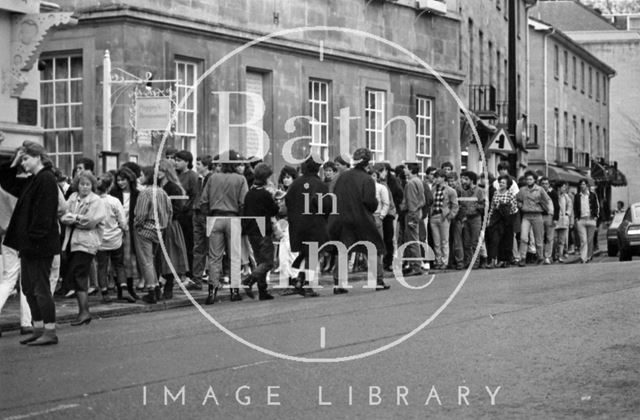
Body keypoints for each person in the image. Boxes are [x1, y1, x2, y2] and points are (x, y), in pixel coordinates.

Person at [2, 142, 61, 345]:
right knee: (28, 288)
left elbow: (44, 216)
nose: (24, 163)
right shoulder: (32, 180)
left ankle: (50, 331)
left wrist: (33, 239)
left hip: (39, 245)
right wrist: (15, 161)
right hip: (29, 245)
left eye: (26, 159)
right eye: (23, 159)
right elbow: (6, 180)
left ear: (38, 157)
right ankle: (38, 328)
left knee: (40, 288)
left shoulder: (46, 179)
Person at [328, 148, 391, 291]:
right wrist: (374, 205)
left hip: (342, 218)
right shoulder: (367, 179)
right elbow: (370, 202)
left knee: (343, 250)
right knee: (373, 248)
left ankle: (339, 284)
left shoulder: (342, 177)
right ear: (367, 163)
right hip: (361, 218)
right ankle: (378, 281)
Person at [199, 150, 248, 304]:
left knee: (214, 257)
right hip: (233, 217)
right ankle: (234, 291)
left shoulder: (213, 178)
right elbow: (243, 202)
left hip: (215, 217)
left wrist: (208, 216)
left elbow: (203, 201)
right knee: (234, 256)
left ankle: (212, 292)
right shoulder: (240, 179)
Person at [60, 171, 106, 325]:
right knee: (76, 275)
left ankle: (84, 312)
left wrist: (75, 218)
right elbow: (64, 215)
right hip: (71, 242)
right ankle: (83, 311)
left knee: (79, 275)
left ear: (92, 185)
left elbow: (91, 222)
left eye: (88, 184)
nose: (84, 187)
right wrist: (76, 219)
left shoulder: (96, 201)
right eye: (81, 184)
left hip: (86, 243)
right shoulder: (73, 197)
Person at [286, 156, 334, 296]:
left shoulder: (295, 184)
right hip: (314, 224)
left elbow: (288, 203)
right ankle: (307, 284)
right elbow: (325, 206)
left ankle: (300, 279)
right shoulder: (319, 185)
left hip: (297, 224)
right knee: (312, 255)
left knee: (306, 254)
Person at [134, 166, 172, 303]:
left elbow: (141, 214)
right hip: (160, 230)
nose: (140, 178)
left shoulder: (145, 193)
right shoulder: (163, 192)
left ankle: (151, 291)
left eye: (142, 175)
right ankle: (156, 288)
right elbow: (170, 211)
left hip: (145, 230)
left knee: (146, 261)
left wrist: (137, 225)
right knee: (152, 260)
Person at [241, 163, 278, 300]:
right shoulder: (265, 194)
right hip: (263, 229)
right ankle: (249, 281)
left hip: (251, 230)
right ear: (266, 178)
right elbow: (274, 210)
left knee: (260, 260)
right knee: (268, 262)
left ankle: (263, 291)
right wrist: (275, 199)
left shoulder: (249, 193)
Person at [157, 159, 189, 300]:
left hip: (170, 225)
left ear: (166, 171)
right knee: (158, 257)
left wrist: (165, 216)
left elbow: (178, 208)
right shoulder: (157, 186)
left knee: (169, 256)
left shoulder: (173, 188)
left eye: (161, 170)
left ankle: (168, 287)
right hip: (157, 224)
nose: (157, 173)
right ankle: (159, 286)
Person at [95, 173, 127, 303]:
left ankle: (104, 291)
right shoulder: (114, 201)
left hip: (100, 240)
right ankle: (123, 289)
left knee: (102, 266)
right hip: (115, 239)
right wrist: (123, 229)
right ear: (110, 186)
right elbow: (123, 221)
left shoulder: (94, 201)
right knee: (119, 265)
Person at [109, 167, 140, 301]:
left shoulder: (136, 193)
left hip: (130, 229)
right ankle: (121, 288)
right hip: (116, 229)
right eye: (119, 180)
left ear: (130, 179)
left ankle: (129, 288)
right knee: (118, 260)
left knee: (128, 260)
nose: (121, 183)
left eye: (123, 180)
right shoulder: (114, 193)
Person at [515, 171, 552, 267]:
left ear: (535, 180)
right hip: (526, 216)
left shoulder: (540, 190)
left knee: (538, 238)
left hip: (537, 215)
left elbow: (547, 200)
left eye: (530, 179)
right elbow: (517, 199)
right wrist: (520, 205)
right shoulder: (522, 190)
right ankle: (522, 258)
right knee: (523, 237)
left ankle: (540, 257)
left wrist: (550, 211)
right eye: (527, 179)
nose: (528, 181)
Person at [188, 155, 213, 290]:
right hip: (197, 213)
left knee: (212, 248)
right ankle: (196, 279)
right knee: (198, 247)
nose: (196, 166)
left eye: (198, 164)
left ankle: (215, 278)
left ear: (206, 165)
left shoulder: (212, 179)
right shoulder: (198, 179)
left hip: (207, 215)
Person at [174, 150, 198, 282]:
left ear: (187, 162)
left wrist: (186, 209)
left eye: (179, 161)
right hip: (176, 214)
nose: (176, 163)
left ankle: (190, 274)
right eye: (175, 160)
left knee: (189, 245)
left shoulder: (192, 176)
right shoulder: (175, 175)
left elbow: (194, 195)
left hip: (187, 216)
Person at [487, 175, 518, 268]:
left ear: (507, 184)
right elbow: (492, 207)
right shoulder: (496, 193)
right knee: (495, 239)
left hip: (507, 219)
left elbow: (514, 208)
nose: (501, 184)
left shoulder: (510, 194)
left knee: (507, 240)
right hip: (496, 219)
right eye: (500, 182)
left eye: (503, 182)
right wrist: (489, 219)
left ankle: (505, 260)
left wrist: (508, 215)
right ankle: (493, 260)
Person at [429, 169, 459, 269]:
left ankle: (444, 261)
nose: (435, 179)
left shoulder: (450, 190)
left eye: (437, 177)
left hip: (444, 217)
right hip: (434, 216)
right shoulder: (433, 189)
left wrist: (450, 216)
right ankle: (438, 261)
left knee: (444, 241)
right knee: (436, 241)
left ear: (442, 178)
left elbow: (455, 205)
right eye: (435, 177)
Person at [400, 161, 425, 276]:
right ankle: (414, 265)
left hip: (411, 213)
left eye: (405, 168)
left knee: (412, 240)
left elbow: (411, 202)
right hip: (417, 212)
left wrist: (411, 215)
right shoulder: (419, 181)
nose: (404, 170)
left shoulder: (410, 183)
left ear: (410, 170)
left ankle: (416, 266)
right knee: (414, 239)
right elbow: (422, 200)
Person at [459, 170, 485, 269]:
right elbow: (462, 205)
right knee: (466, 242)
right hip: (466, 218)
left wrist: (475, 206)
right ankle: (468, 261)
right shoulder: (463, 191)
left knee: (475, 241)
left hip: (476, 218)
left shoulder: (479, 191)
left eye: (466, 179)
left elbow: (484, 205)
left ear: (472, 180)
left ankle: (476, 262)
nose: (463, 181)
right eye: (462, 179)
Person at [573, 179, 599, 263]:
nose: (582, 186)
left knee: (589, 240)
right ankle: (583, 258)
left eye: (584, 184)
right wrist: (576, 218)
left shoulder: (593, 195)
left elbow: (597, 206)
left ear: (587, 185)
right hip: (581, 220)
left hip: (591, 219)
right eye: (581, 184)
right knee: (583, 240)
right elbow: (575, 208)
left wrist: (596, 216)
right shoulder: (577, 196)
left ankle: (589, 255)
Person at [553, 181, 572, 262]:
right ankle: (554, 255)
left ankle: (560, 256)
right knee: (554, 239)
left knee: (562, 240)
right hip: (554, 220)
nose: (564, 189)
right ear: (558, 188)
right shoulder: (553, 195)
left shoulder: (566, 196)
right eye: (563, 187)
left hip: (563, 220)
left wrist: (567, 213)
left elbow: (570, 205)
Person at [539, 177, 556, 265]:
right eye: (543, 183)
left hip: (550, 216)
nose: (545, 185)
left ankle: (547, 256)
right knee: (540, 237)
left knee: (550, 238)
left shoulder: (553, 193)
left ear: (549, 184)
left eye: (546, 183)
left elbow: (557, 206)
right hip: (540, 216)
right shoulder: (538, 193)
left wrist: (556, 219)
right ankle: (540, 256)